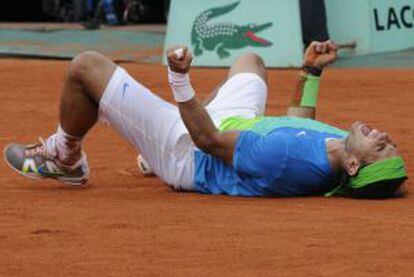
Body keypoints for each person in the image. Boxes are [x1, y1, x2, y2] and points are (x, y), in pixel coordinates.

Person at [3, 41, 407, 198]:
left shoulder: (284, 158)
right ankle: (147, 137)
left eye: (382, 146)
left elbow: (208, 140)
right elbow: (296, 125)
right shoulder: (336, 147)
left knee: (84, 67)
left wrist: (179, 80)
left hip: (189, 150)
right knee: (250, 61)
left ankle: (65, 157)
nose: (386, 134)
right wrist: (310, 72)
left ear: (354, 165)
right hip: (235, 130)